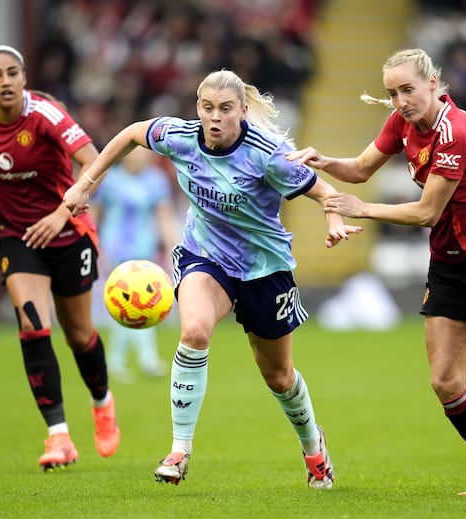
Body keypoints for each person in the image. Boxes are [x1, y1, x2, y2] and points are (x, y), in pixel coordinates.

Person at [287, 47, 466, 495]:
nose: (401, 100)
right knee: (445, 382)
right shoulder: (403, 122)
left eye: (407, 89)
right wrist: (324, 162)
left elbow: (427, 211)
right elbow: (363, 168)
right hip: (447, 261)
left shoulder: (455, 132)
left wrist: (361, 209)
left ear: (433, 83)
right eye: (392, 93)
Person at [64, 69, 362, 489]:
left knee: (279, 376)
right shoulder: (181, 137)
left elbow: (327, 192)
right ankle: (180, 449)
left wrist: (333, 218)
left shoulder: (267, 154)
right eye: (207, 108)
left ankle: (314, 447)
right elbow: (131, 133)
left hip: (266, 269)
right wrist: (86, 183)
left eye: (225, 109)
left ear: (242, 110)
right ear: (197, 109)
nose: (215, 117)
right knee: (195, 330)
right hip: (206, 257)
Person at [0, 45, 120, 471]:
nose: (6, 80)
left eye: (13, 72)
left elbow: (95, 162)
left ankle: (102, 403)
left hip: (68, 234)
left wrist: (60, 213)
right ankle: (59, 436)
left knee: (79, 334)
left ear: (24, 77)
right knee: (33, 325)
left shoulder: (46, 116)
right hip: (15, 234)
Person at [90, 147, 179, 382]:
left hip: (144, 251)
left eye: (143, 154)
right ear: (126, 153)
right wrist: (93, 243)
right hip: (115, 250)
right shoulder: (111, 179)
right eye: (135, 153)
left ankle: (118, 361)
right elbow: (96, 212)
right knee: (129, 302)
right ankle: (145, 359)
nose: (138, 157)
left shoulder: (156, 180)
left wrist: (172, 248)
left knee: (140, 303)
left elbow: (164, 216)